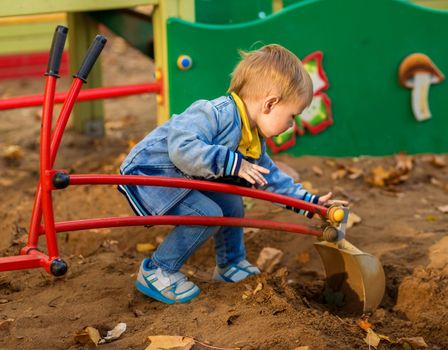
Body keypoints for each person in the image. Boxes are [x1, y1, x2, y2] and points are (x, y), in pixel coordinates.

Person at [118, 44, 340, 304]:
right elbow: (181, 148)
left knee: (232, 203)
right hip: (150, 173)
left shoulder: (251, 137)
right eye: (292, 117)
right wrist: (233, 163)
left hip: (184, 178)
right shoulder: (214, 113)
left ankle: (230, 264)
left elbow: (270, 178)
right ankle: (158, 270)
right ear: (270, 104)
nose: (291, 126)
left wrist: (309, 203)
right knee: (207, 214)